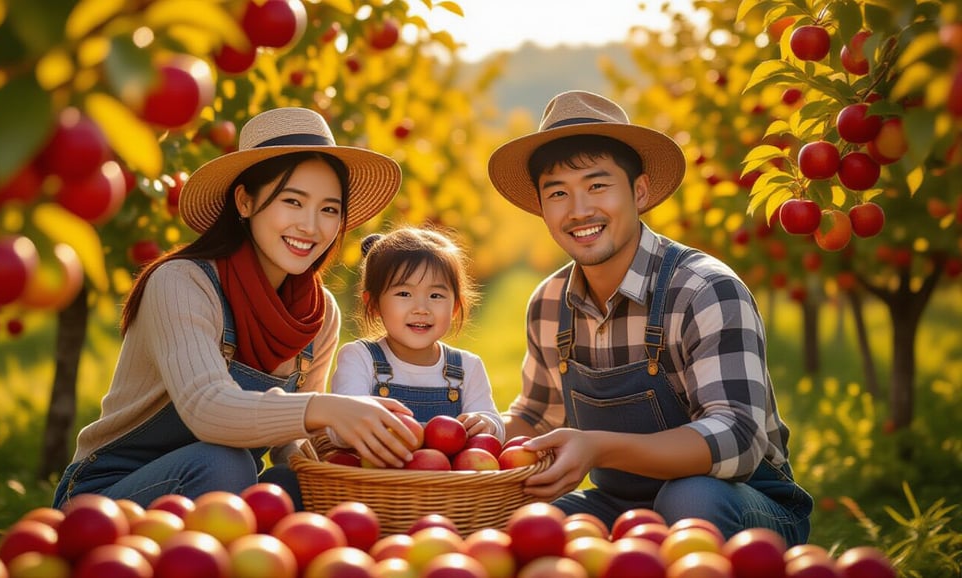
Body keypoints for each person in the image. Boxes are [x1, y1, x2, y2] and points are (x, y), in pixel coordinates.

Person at [487, 90, 813, 545]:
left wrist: (599, 447)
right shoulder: (548, 304)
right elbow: (537, 416)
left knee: (690, 499)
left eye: (597, 186)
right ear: (542, 208)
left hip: (739, 501)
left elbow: (736, 438)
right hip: (621, 505)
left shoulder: (703, 289)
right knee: (529, 525)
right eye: (558, 193)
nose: (579, 210)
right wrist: (481, 433)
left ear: (639, 192)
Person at [53, 107, 419, 510]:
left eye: (329, 209)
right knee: (224, 463)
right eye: (292, 201)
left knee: (295, 485)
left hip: (213, 500)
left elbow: (289, 439)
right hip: (105, 498)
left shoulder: (320, 314)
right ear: (244, 201)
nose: (311, 226)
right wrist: (326, 408)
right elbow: (206, 408)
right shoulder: (182, 282)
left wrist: (347, 468)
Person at [331, 227, 504, 441]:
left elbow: (494, 424)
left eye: (436, 295)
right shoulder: (359, 358)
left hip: (445, 474)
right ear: (374, 304)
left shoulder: (467, 367)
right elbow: (338, 430)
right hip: (375, 472)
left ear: (455, 307)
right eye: (404, 293)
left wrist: (486, 423)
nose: (421, 308)